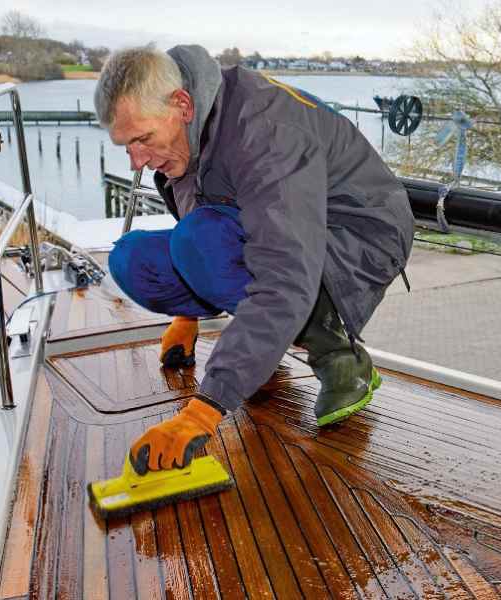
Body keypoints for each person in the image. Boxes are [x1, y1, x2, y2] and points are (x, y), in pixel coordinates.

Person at [94, 44, 414, 475]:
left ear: (182, 106)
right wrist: (187, 314)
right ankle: (262, 344)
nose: (136, 161)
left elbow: (283, 277)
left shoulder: (266, 131)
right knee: (131, 258)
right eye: (126, 145)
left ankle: (337, 351)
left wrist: (203, 411)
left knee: (201, 242)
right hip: (279, 233)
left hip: (358, 234)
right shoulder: (188, 130)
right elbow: (201, 218)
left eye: (142, 140)